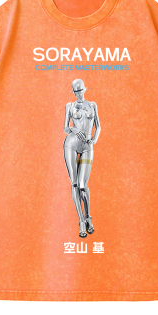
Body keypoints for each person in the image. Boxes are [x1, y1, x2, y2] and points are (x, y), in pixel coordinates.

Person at [63, 79, 101, 238]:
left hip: (87, 145)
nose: (78, 94)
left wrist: (95, 139)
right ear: (73, 92)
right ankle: (81, 221)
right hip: (71, 144)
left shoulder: (92, 105)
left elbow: (98, 125)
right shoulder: (69, 106)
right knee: (74, 183)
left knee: (83, 185)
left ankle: (88, 217)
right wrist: (73, 128)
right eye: (76, 92)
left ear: (84, 90)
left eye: (80, 91)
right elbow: (65, 128)